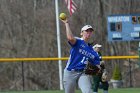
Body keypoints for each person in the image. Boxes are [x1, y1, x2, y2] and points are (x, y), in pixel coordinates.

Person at [60, 18, 101, 93]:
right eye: (86, 31)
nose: (88, 32)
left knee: (88, 91)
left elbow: (97, 66)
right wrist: (66, 23)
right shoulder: (78, 41)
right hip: (70, 72)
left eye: (90, 31)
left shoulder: (93, 52)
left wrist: (98, 70)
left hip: (83, 73)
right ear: (81, 33)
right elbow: (70, 38)